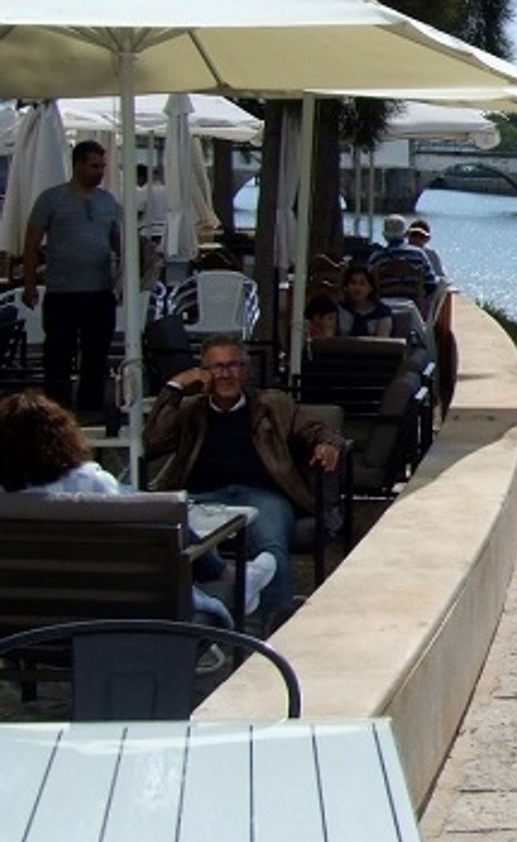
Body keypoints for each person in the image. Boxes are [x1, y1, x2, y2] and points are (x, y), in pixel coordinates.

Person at [0, 390, 275, 626]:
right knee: (160, 518)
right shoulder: (90, 483)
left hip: (23, 628)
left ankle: (231, 574)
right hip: (120, 620)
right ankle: (229, 575)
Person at [146, 337, 343, 623]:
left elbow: (314, 429)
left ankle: (276, 630)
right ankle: (205, 622)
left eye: (233, 365)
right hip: (203, 497)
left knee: (271, 549)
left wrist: (327, 443)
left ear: (245, 369)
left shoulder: (273, 404)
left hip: (262, 495)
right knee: (178, 545)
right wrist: (176, 386)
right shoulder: (191, 409)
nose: (225, 374)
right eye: (216, 367)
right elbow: (153, 441)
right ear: (204, 373)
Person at [20, 139, 120, 418]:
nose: (100, 172)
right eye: (94, 166)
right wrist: (29, 283)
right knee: (58, 356)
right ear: (78, 165)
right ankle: (57, 412)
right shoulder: (52, 198)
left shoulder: (107, 200)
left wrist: (126, 273)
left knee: (96, 355)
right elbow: (31, 241)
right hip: (63, 291)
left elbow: (119, 241)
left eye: (102, 166)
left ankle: (91, 410)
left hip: (99, 291)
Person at [336, 263, 392, 338]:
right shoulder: (339, 309)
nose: (357, 288)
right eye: (353, 283)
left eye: (362, 284)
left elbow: (382, 344)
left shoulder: (382, 312)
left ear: (370, 288)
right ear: (346, 287)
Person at [134, 162, 171, 243]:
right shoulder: (166, 190)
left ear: (141, 177)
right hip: (165, 232)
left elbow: (138, 212)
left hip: (148, 232)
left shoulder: (144, 191)